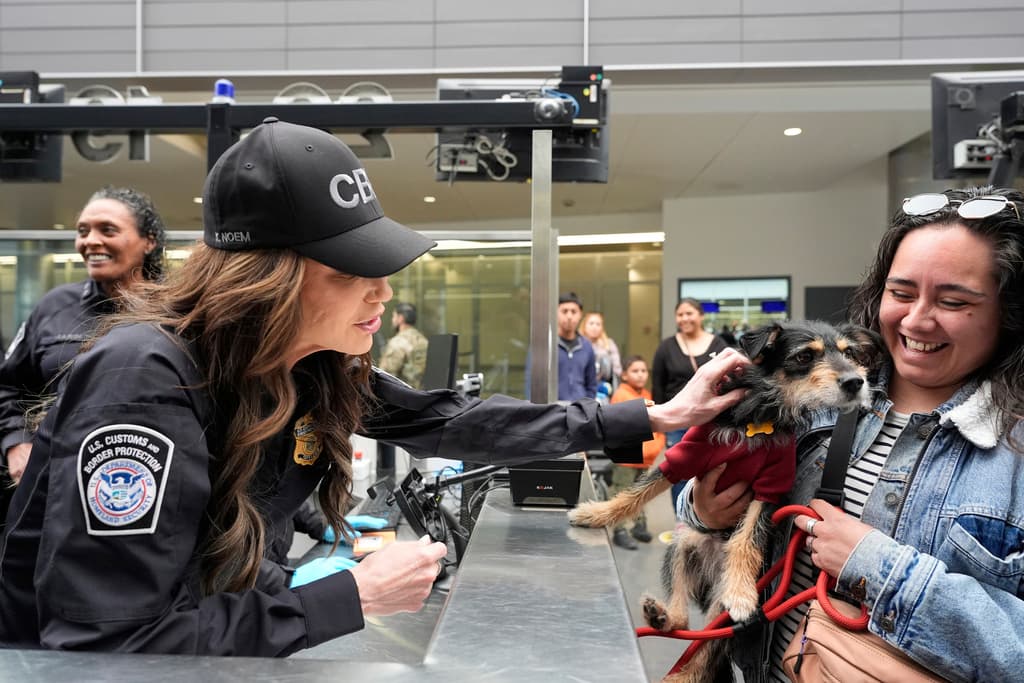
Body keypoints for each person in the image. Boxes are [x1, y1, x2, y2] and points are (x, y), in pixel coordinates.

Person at [0, 118, 751, 656]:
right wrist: (345, 599)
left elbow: (453, 420)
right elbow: (108, 639)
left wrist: (652, 413)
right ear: (267, 280)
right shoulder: (144, 381)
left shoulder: (307, 363)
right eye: (349, 271)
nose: (382, 293)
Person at [680, 187, 1024, 681]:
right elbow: (707, 501)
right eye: (901, 293)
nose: (916, 319)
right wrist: (704, 507)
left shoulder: (1012, 452)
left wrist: (878, 567)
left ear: (1007, 312)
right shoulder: (810, 402)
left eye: (952, 300)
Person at [0, 187, 165, 494]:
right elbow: (9, 387)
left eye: (108, 230)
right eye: (83, 231)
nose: (90, 241)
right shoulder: (54, 306)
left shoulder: (180, 310)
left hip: (146, 484)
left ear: (149, 241)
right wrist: (16, 442)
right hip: (54, 483)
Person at [651, 298, 730, 510]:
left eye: (689, 313)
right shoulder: (666, 347)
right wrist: (658, 421)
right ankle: (681, 521)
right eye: (680, 314)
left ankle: (705, 521)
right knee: (677, 471)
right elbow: (658, 385)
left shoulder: (718, 345)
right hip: (676, 421)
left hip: (711, 420)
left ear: (701, 316)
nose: (684, 318)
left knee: (712, 469)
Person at [608, 355, 665, 549]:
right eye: (635, 371)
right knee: (622, 491)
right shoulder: (621, 396)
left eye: (643, 371)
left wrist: (655, 447)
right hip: (626, 458)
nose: (640, 375)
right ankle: (619, 529)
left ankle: (639, 524)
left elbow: (654, 427)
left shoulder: (647, 395)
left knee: (640, 491)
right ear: (624, 375)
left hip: (644, 457)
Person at [557, 291, 597, 401]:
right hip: (553, 410)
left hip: (579, 411)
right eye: (564, 311)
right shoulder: (546, 345)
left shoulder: (586, 346)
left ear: (580, 315)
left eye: (574, 312)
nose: (569, 316)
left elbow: (592, 384)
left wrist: (586, 407)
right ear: (556, 313)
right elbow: (532, 382)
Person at [378, 302, 428, 388]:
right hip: (423, 393)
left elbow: (386, 376)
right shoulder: (423, 340)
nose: (392, 319)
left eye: (394, 316)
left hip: (403, 396)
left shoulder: (397, 342)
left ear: (400, 318)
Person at [579, 311, 622, 392]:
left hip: (604, 386)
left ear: (602, 327)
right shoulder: (578, 343)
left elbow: (617, 369)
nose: (594, 327)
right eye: (591, 323)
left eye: (598, 324)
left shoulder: (609, 344)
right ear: (584, 325)